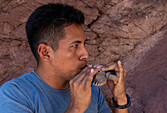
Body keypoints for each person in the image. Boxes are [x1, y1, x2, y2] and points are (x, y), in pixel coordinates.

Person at [0, 3, 130, 113]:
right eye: (75, 46)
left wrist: (120, 100)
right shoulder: (15, 94)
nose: (85, 54)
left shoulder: (92, 90)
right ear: (45, 53)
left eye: (84, 44)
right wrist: (77, 108)